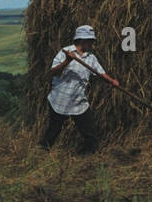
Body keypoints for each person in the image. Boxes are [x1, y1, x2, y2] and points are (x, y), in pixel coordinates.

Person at [40, 24, 118, 153]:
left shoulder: (91, 58)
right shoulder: (65, 52)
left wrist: (112, 81)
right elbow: (53, 72)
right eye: (90, 41)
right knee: (54, 130)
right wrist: (67, 61)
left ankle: (89, 154)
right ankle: (42, 152)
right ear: (82, 40)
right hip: (61, 98)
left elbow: (100, 73)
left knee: (89, 130)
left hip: (78, 99)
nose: (92, 43)